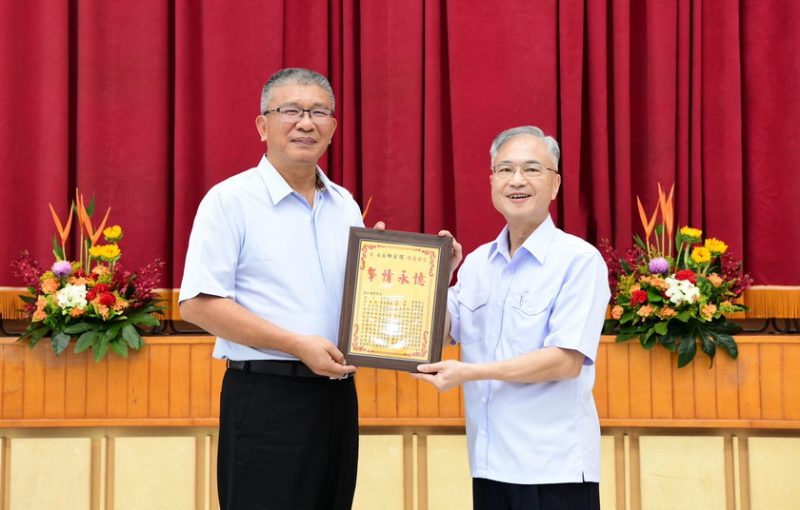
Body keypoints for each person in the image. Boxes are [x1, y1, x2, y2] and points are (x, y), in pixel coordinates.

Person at [179, 68, 367, 510]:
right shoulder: (230, 200)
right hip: (266, 398)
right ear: (263, 126)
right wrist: (295, 344)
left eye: (319, 112)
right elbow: (199, 304)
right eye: (291, 111)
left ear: (333, 128)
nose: (306, 123)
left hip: (337, 396)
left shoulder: (345, 205)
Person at [415, 126, 610, 510]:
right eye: (505, 169)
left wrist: (470, 373)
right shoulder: (476, 264)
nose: (517, 180)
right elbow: (439, 334)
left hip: (553, 469)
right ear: (491, 181)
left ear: (555, 185)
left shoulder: (578, 261)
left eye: (532, 169)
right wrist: (439, 279)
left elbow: (565, 361)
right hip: (489, 464)